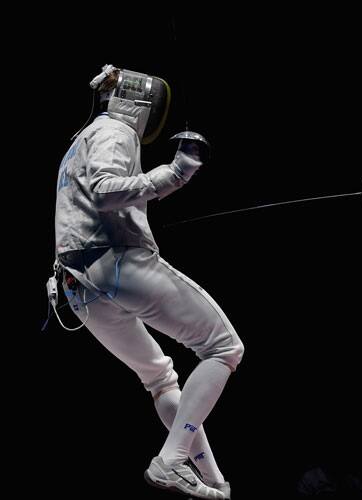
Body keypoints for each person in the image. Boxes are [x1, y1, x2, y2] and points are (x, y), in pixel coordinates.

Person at [52, 64, 244, 499]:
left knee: (159, 379)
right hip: (114, 264)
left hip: (78, 286)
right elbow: (104, 190)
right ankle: (170, 461)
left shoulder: (77, 142)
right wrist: (175, 174)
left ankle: (211, 478)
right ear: (144, 106)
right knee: (224, 347)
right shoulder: (116, 131)